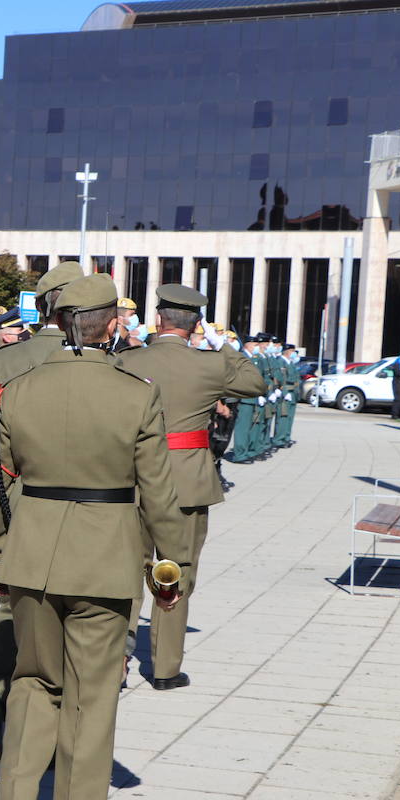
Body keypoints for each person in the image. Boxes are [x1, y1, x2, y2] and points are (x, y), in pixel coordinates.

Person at [0, 273, 191, 800]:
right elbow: (159, 496)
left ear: (62, 321)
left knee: (31, 682)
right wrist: (168, 577)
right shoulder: (135, 392)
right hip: (106, 559)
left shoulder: (16, 387)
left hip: (34, 556)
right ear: (113, 324)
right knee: (90, 702)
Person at [0, 260, 83, 767]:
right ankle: (45, 733)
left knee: (15, 616)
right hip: (84, 517)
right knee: (68, 631)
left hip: (18, 513)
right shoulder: (107, 359)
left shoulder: (4, 361)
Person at [119, 285, 266, 690]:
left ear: (160, 320)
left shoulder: (128, 360)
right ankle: (165, 669)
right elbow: (255, 383)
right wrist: (223, 346)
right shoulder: (210, 365)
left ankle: (115, 664)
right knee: (173, 572)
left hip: (129, 478)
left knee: (125, 572)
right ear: (196, 324)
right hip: (186, 481)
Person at [276, 344, 300, 446]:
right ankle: (279, 439)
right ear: (286, 351)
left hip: (293, 393)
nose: (294, 353)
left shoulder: (290, 363)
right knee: (283, 417)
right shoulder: (281, 362)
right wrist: (284, 392)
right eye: (292, 351)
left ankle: (286, 437)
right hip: (286, 392)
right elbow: (281, 379)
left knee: (289, 417)